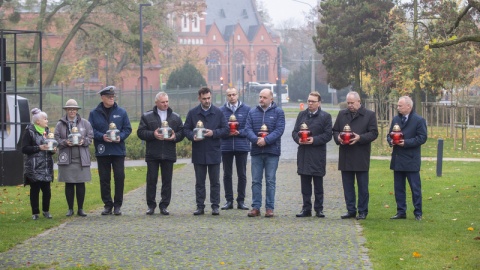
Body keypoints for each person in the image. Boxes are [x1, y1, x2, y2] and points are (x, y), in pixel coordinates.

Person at [332, 91, 378, 220]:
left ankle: (363, 211)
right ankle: (351, 210)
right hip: (346, 155)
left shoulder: (369, 115)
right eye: (348, 103)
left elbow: (374, 133)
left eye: (352, 103)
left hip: (360, 155)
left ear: (359, 101)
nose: (350, 105)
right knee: (347, 186)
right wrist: (338, 138)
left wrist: (360, 138)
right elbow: (335, 130)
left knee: (362, 186)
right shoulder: (342, 114)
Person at [137, 92, 185, 215]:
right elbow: (140, 132)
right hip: (153, 153)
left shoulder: (175, 117)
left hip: (168, 153)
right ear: (156, 102)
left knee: (167, 181)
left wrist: (175, 137)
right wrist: (153, 134)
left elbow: (182, 132)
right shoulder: (147, 116)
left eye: (167, 101)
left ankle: (164, 205)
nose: (165, 104)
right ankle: (151, 205)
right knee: (151, 180)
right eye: (163, 102)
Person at [184, 87, 229, 216]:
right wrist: (192, 136)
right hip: (199, 151)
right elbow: (185, 129)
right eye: (204, 99)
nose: (207, 101)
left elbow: (225, 129)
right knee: (200, 182)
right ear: (199, 98)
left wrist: (213, 133)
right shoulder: (192, 113)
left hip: (213, 151)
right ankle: (200, 206)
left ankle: (215, 206)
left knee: (215, 182)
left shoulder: (218, 112)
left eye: (209, 98)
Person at [89, 86, 132, 216]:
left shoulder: (122, 112)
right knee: (104, 178)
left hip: (118, 150)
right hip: (102, 150)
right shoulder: (94, 113)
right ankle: (108, 205)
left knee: (119, 177)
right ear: (102, 98)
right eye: (109, 97)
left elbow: (127, 128)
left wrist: (121, 137)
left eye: (113, 96)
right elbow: (91, 130)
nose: (112, 98)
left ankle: (118, 205)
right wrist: (102, 136)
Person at [245, 88, 285, 218]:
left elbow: (279, 130)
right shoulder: (252, 112)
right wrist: (256, 140)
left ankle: (269, 208)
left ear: (271, 99)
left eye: (264, 97)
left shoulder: (278, 112)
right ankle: (256, 207)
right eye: (260, 97)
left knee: (270, 180)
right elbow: (248, 129)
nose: (261, 99)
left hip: (272, 152)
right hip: (256, 151)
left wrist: (266, 140)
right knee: (256, 180)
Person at [292, 92, 332, 218]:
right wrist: (297, 139)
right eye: (309, 101)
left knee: (318, 184)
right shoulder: (301, 115)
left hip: (317, 154)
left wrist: (314, 140)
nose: (310, 103)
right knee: (305, 184)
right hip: (303, 153)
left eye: (313, 101)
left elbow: (328, 135)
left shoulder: (325, 116)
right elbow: (295, 131)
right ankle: (306, 208)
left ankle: (319, 209)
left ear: (319, 103)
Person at [387, 96, 427, 221]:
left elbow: (422, 138)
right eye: (398, 105)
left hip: (411, 159)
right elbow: (389, 135)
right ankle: (401, 212)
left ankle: (418, 212)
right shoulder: (396, 119)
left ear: (409, 106)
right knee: (398, 188)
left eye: (400, 105)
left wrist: (406, 143)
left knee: (415, 188)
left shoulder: (418, 120)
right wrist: (391, 141)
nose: (398, 107)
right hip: (398, 159)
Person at [54, 99, 94, 217]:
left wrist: (83, 141)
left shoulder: (85, 123)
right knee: (69, 184)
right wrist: (65, 142)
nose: (72, 111)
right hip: (67, 159)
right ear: (66, 110)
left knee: (81, 183)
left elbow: (90, 137)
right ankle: (70, 209)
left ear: (77, 110)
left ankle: (80, 209)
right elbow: (55, 139)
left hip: (81, 159)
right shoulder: (60, 124)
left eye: (74, 109)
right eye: (69, 109)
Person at [219, 88, 251, 211]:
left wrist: (239, 132)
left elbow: (249, 127)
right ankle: (229, 200)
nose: (232, 97)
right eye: (229, 95)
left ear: (238, 95)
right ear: (226, 96)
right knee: (227, 174)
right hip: (226, 146)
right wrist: (227, 133)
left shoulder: (247, 109)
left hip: (241, 145)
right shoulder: (221, 110)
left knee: (242, 174)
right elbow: (220, 128)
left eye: (234, 94)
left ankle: (241, 200)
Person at [21, 108, 56, 220]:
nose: (47, 120)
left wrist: (53, 150)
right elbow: (24, 149)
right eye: (44, 118)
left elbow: (50, 147)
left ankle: (46, 211)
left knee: (47, 191)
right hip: (34, 167)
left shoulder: (48, 132)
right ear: (37, 122)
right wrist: (38, 147)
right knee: (34, 190)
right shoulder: (29, 131)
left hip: (46, 166)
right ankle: (35, 213)